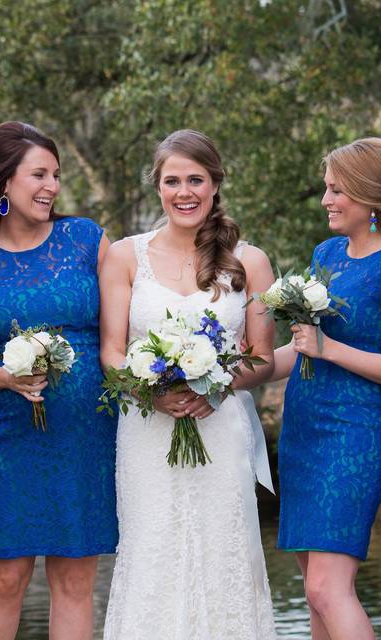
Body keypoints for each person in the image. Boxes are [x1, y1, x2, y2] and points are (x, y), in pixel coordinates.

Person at [99, 129, 278, 639]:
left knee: (225, 551)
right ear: (157, 187)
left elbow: (261, 357)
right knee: (153, 552)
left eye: (196, 180)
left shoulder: (252, 260)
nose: (185, 192)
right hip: (145, 431)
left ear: (215, 185)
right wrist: (149, 391)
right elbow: (111, 352)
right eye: (172, 180)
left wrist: (215, 387)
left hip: (219, 428)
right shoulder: (126, 257)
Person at [0, 121, 116, 640]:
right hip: (4, 435)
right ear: (3, 182)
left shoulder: (86, 239)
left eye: (57, 175)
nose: (52, 187)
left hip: (85, 432)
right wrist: (4, 376)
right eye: (39, 174)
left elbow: (124, 332)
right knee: (5, 578)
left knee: (75, 577)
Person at [268, 138, 381, 639]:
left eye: (338, 190)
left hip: (354, 434)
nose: (326, 200)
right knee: (314, 596)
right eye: (327, 188)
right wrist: (233, 373)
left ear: (370, 197)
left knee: (326, 590)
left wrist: (329, 349)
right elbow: (304, 347)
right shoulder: (328, 253)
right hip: (304, 430)